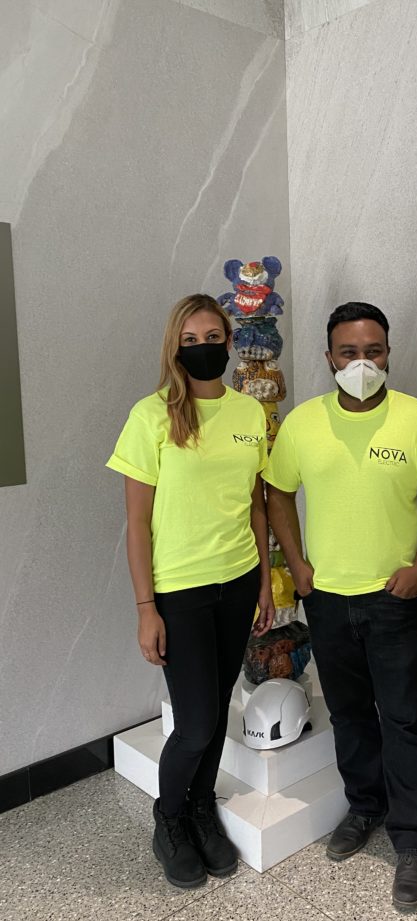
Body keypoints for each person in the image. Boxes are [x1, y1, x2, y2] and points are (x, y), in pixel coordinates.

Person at [264, 302, 417, 909]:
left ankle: (410, 835)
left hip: (391, 601)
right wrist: (297, 567)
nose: (362, 362)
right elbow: (277, 493)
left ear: (389, 353)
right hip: (326, 600)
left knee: (404, 719)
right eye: (349, 352)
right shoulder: (300, 423)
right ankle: (364, 808)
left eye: (373, 350)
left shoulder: (415, 421)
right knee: (348, 715)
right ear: (329, 358)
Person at [107, 293, 274, 889]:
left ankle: (202, 809)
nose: (203, 349)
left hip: (237, 582)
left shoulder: (249, 415)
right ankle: (170, 816)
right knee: (198, 722)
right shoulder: (150, 417)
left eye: (213, 338)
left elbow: (255, 505)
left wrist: (265, 586)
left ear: (231, 343)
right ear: (175, 347)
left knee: (217, 706)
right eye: (191, 340)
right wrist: (145, 607)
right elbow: (137, 523)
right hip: (178, 591)